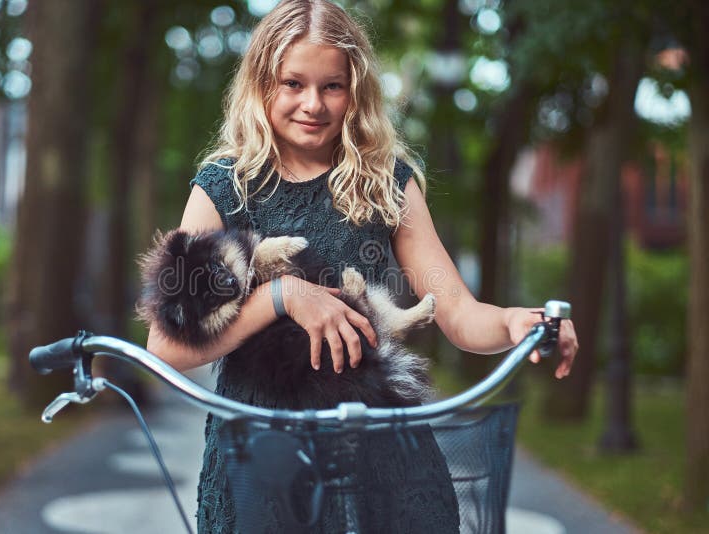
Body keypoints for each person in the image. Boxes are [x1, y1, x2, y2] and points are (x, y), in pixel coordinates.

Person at [146, 1, 579, 532]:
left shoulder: (384, 183)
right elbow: (165, 348)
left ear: (356, 91)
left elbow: (458, 313)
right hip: (264, 468)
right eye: (293, 84)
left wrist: (515, 323)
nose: (313, 104)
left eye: (333, 86)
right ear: (262, 86)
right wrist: (283, 297)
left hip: (382, 463)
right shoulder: (224, 186)